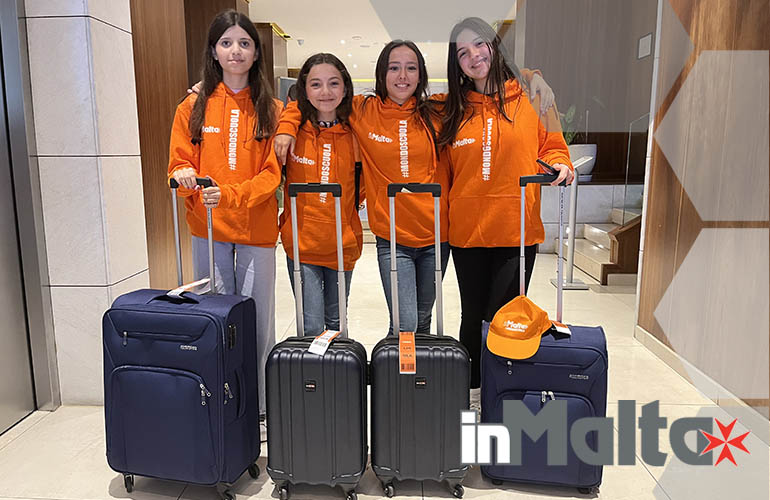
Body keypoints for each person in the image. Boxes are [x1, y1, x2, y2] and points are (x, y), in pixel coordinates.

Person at [275, 40, 556, 337]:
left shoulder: (439, 109)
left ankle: (416, 369)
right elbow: (312, 101)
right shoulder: (363, 110)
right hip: (392, 238)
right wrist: (286, 128)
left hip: (437, 238)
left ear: (421, 74)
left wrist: (530, 77)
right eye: (394, 68)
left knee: (423, 321)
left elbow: (484, 88)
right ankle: (397, 364)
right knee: (405, 323)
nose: (402, 76)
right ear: (382, 73)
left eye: (411, 68)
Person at [437, 17, 574, 412]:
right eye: (462, 53)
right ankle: (471, 395)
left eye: (479, 45)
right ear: (456, 64)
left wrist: (560, 164)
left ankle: (501, 395)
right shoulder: (450, 109)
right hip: (467, 233)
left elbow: (554, 146)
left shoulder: (533, 98)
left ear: (494, 46)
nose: (473, 56)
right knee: (472, 317)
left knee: (504, 318)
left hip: (517, 229)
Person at [167, 9, 282, 439]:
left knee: (256, 320)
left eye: (245, 43)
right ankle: (217, 401)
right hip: (208, 229)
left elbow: (272, 175)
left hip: (256, 230)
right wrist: (183, 176)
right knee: (213, 316)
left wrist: (231, 195)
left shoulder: (273, 109)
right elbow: (179, 162)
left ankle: (260, 408)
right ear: (213, 51)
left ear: (256, 53)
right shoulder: (192, 106)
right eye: (227, 43)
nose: (236, 51)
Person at [280, 53, 363, 335]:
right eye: (315, 84)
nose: (325, 92)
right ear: (304, 90)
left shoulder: (356, 134)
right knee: (311, 326)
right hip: (302, 247)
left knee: (337, 324)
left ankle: (337, 366)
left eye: (334, 83)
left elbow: (363, 186)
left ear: (345, 88)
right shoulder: (291, 132)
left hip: (343, 246)